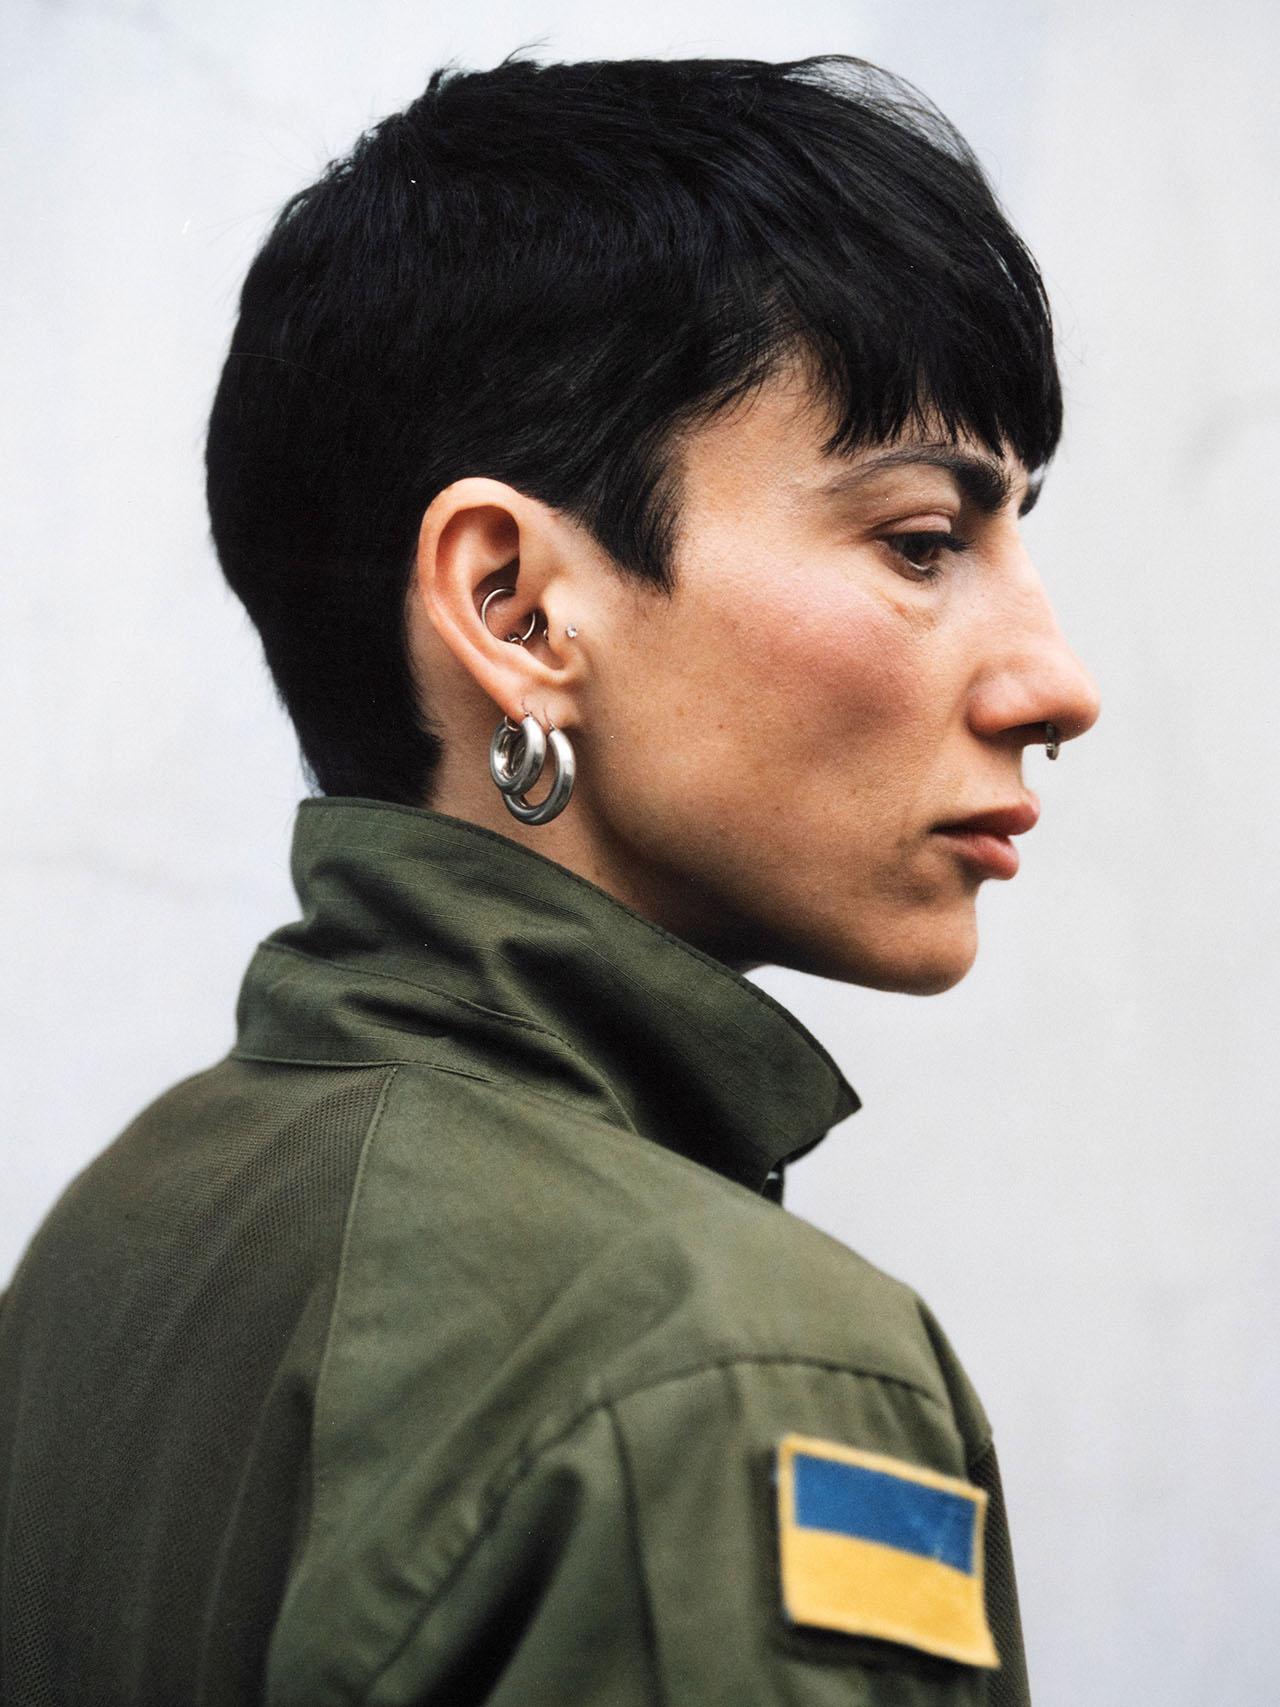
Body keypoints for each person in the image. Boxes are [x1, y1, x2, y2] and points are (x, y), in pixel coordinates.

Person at [0, 51, 1100, 1706]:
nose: (1056, 684)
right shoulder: (731, 1371)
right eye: (922, 542)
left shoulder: (115, 1245)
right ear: (515, 607)